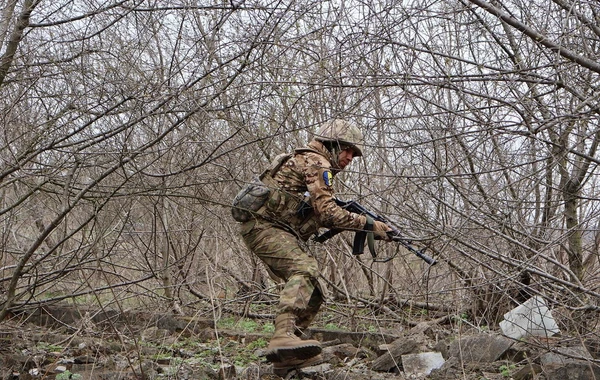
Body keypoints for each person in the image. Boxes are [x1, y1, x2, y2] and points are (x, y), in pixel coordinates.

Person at [237, 119, 392, 374]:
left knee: (315, 294)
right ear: (333, 145)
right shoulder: (317, 162)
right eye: (348, 150)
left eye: (354, 153)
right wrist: (368, 224)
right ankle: (283, 336)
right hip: (263, 227)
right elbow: (329, 214)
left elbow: (319, 215)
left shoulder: (311, 163)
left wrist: (364, 224)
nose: (351, 158)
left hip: (269, 228)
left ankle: (287, 354)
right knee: (305, 267)